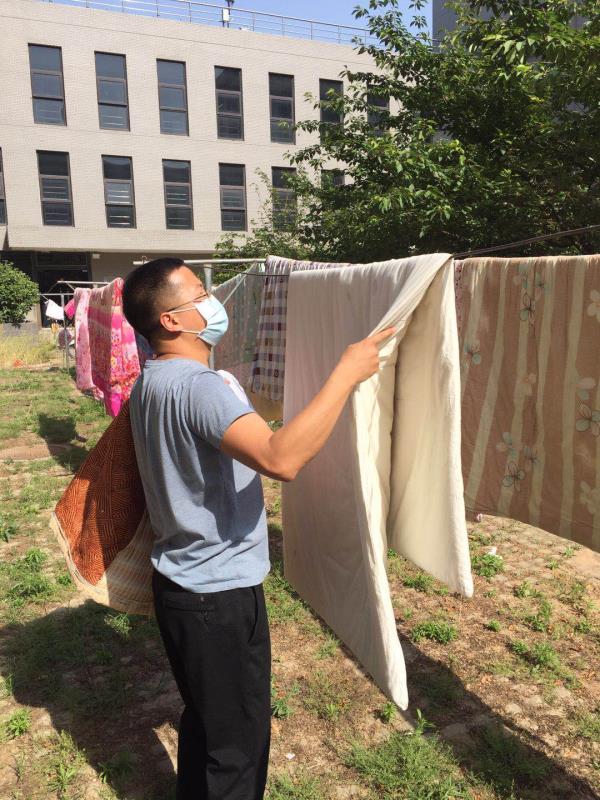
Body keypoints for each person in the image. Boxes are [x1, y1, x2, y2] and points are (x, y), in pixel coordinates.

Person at [122, 257, 395, 800]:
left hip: (182, 586)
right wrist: (346, 373)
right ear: (171, 320)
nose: (212, 302)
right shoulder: (198, 387)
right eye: (199, 294)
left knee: (207, 724)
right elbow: (280, 458)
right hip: (216, 596)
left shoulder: (153, 379)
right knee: (237, 750)